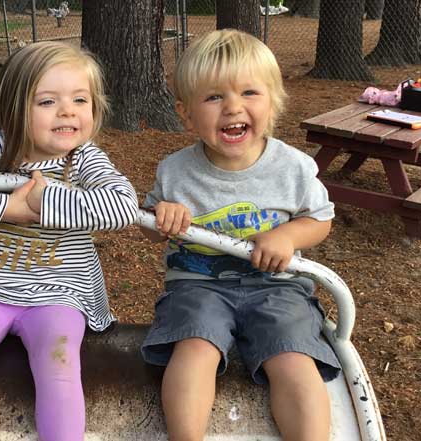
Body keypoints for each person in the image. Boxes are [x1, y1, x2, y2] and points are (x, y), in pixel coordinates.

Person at [0, 41, 138, 441]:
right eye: (48, 101)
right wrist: (7, 211)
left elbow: (121, 206)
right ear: (16, 107)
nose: (67, 111)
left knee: (59, 362)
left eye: (80, 99)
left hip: (58, 293)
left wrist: (41, 199)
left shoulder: (83, 159)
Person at [140, 29, 340, 441]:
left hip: (278, 287)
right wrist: (164, 216)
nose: (233, 107)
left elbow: (321, 220)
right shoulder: (174, 171)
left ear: (273, 102)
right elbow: (149, 226)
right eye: (214, 97)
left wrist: (288, 235)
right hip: (198, 286)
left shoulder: (294, 167)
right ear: (186, 113)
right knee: (194, 345)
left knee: (292, 355)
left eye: (249, 92)